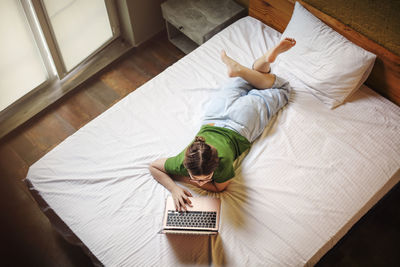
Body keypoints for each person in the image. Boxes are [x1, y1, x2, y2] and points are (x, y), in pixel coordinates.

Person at [149, 38, 296, 211]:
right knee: (251, 77)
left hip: (241, 125)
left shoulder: (219, 165)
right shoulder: (181, 161)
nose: (198, 182)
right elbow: (153, 167)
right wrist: (174, 188)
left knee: (283, 89)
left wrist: (180, 181)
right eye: (198, 179)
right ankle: (247, 66)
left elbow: (219, 187)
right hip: (215, 116)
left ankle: (257, 63)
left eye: (204, 179)